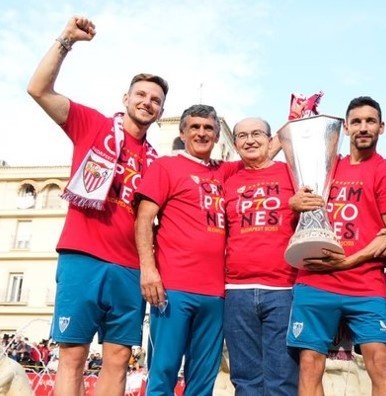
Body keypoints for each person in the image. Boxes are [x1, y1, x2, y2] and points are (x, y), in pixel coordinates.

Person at [27, 16, 168, 395]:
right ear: (126, 99)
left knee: (119, 357)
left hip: (128, 266)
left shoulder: (159, 161)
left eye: (156, 100)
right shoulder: (93, 125)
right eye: (140, 95)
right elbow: (38, 89)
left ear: (160, 110)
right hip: (83, 255)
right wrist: (66, 40)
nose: (147, 102)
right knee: (72, 354)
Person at [287, 96, 386, 396]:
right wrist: (294, 203)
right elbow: (300, 209)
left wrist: (347, 262)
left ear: (381, 128)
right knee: (310, 364)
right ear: (346, 128)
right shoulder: (325, 166)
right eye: (356, 121)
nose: (363, 127)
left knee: (380, 365)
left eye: (370, 121)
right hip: (315, 281)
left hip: (365, 284)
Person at [135, 104, 239, 396]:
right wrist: (148, 269)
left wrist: (295, 121)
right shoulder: (166, 166)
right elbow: (144, 219)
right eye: (195, 127)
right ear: (183, 132)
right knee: (163, 373)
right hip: (173, 288)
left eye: (208, 128)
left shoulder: (226, 171)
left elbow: (261, 154)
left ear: (217, 136)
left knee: (203, 379)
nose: (202, 133)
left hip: (217, 292)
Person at [223, 117, 305, 395]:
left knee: (282, 379)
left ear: (271, 141)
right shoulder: (229, 181)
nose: (250, 140)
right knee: (245, 380)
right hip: (236, 290)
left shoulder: (292, 173)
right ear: (235, 144)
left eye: (257, 133)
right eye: (242, 136)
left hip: (283, 288)